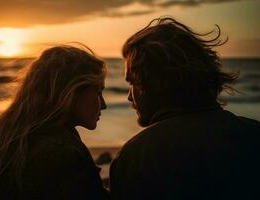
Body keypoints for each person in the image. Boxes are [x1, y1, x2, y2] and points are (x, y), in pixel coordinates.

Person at [110, 17, 260, 200]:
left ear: (155, 83)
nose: (129, 96)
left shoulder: (134, 159)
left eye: (132, 82)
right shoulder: (253, 135)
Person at [0, 45, 108, 200]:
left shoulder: (5, 135)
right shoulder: (61, 153)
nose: (103, 104)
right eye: (98, 92)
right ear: (70, 91)